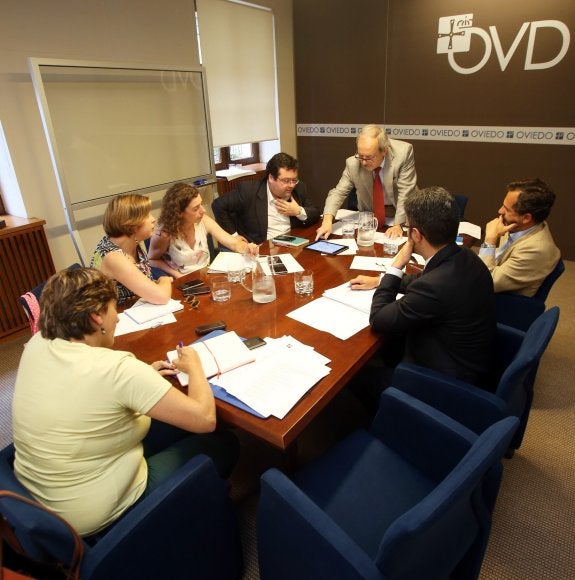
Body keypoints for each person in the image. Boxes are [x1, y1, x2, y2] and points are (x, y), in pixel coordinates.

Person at [11, 267, 239, 537]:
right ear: (97, 318)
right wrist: (195, 367)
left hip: (37, 493)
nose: (117, 317)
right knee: (225, 442)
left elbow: (89, 390)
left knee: (173, 422)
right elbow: (205, 419)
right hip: (93, 513)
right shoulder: (116, 368)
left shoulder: (37, 342)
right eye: (112, 309)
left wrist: (142, 380)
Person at [356, 187, 496, 395]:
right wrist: (380, 280)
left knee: (356, 375)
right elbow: (422, 280)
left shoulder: (434, 286)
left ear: (415, 234)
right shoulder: (465, 256)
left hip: (447, 381)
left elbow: (378, 319)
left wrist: (397, 265)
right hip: (475, 358)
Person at [315, 124, 418, 240]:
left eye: (369, 157)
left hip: (402, 213)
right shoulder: (353, 163)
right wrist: (327, 221)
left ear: (384, 151)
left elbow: (406, 193)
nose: (363, 163)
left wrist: (397, 224)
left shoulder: (403, 154)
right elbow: (338, 192)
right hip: (372, 216)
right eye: (360, 156)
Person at [148, 182, 259, 278]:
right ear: (179, 213)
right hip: (182, 284)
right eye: (196, 208)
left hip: (206, 277)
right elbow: (152, 260)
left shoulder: (204, 221)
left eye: (201, 204)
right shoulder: (164, 234)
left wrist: (247, 248)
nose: (203, 210)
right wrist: (176, 275)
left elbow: (233, 243)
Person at [212, 152, 320, 243]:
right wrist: (234, 237)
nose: (291, 185)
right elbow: (218, 205)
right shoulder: (249, 191)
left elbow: (316, 213)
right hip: (263, 248)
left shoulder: (299, 188)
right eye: (286, 181)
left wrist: (298, 211)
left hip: (293, 243)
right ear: (271, 178)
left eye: (294, 180)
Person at [479, 178, 560, 297]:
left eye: (506, 209)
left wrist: (489, 241)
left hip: (501, 303)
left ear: (526, 218)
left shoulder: (536, 250)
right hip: (493, 276)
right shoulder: (518, 226)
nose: (500, 211)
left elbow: (486, 282)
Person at [91, 194, 172, 305]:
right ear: (132, 224)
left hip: (139, 308)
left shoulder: (133, 241)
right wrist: (165, 279)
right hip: (119, 317)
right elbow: (161, 297)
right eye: (147, 215)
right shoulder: (113, 257)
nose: (153, 219)